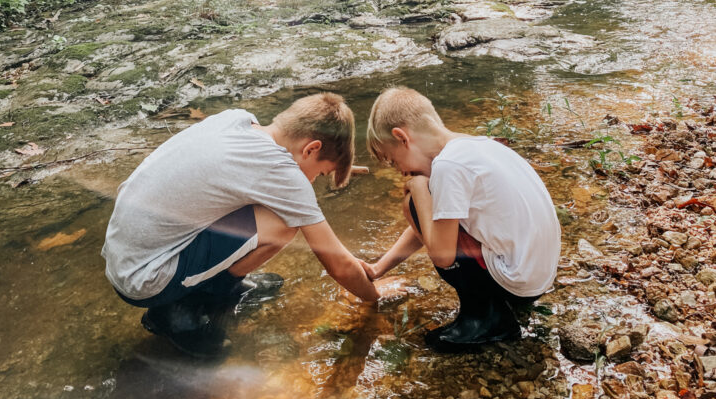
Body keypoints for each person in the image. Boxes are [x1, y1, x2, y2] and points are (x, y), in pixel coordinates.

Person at [103, 92, 378, 357]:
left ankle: (220, 289)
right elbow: (338, 264)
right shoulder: (279, 171)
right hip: (145, 279)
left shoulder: (237, 120)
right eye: (320, 173)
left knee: (272, 205)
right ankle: (183, 310)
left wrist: (331, 166)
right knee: (285, 221)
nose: (313, 180)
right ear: (311, 148)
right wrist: (376, 296)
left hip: (125, 255)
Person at [364, 87, 560, 352]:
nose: (401, 171)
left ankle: (484, 319)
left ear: (402, 138)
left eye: (392, 160)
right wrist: (379, 268)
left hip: (517, 282)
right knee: (423, 202)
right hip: (537, 277)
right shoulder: (477, 146)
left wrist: (420, 190)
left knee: (413, 202)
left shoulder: (448, 166)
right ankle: (496, 305)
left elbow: (442, 255)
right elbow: (439, 221)